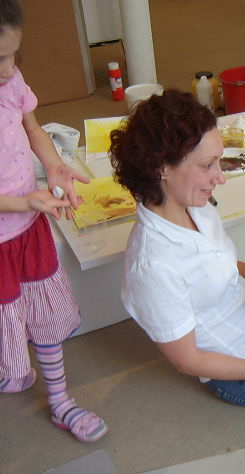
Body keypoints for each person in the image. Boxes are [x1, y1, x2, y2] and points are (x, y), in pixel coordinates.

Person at [110, 89, 245, 412]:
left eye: (219, 161)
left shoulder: (195, 206)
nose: (220, 178)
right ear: (162, 167)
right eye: (207, 165)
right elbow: (188, 361)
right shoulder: (152, 266)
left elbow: (224, 265)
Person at [0, 0, 107, 442]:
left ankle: (60, 400)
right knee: (6, 319)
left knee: (44, 313)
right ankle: (9, 367)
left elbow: (33, 128)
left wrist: (55, 165)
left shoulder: (11, 80)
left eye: (12, 55)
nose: (8, 69)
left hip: (29, 230)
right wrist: (24, 202)